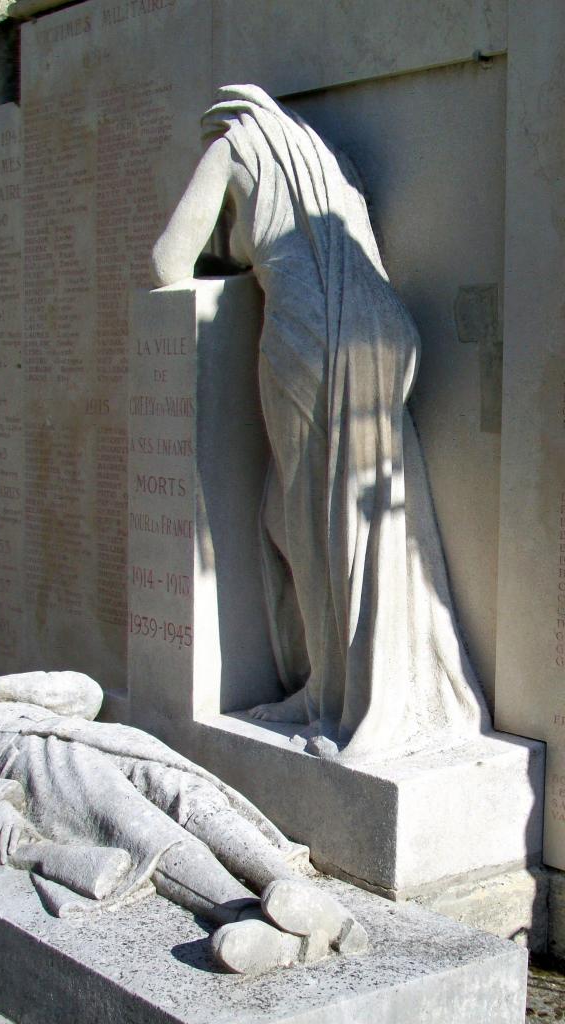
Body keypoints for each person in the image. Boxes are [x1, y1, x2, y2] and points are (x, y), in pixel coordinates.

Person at [152, 85, 490, 762]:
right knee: (340, 517)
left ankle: (343, 700)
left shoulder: (232, 146)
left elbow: (166, 262)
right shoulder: (328, 160)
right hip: (384, 327)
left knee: (316, 523)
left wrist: (225, 253)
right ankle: (344, 686)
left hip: (309, 330)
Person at [0, 670, 368, 975]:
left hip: (109, 742)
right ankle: (245, 918)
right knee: (149, 833)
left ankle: (294, 892)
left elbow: (85, 694)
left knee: (193, 799)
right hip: (44, 767)